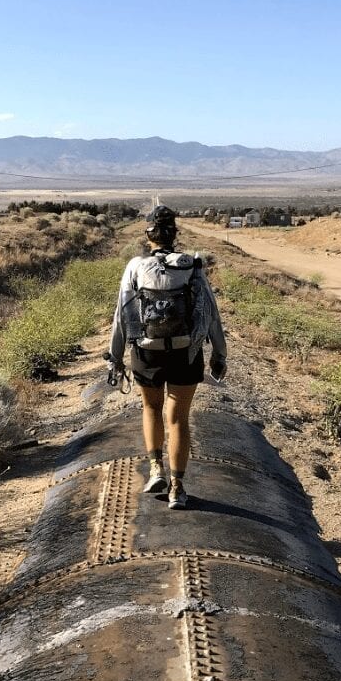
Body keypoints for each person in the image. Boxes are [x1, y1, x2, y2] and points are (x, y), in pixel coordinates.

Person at [107, 205, 227, 510]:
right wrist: (218, 354)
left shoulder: (135, 266)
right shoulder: (192, 266)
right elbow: (210, 313)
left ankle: (155, 469)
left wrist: (116, 357)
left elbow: (121, 316)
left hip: (147, 352)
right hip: (186, 352)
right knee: (178, 420)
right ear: (175, 234)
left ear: (149, 236)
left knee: (150, 408)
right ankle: (177, 488)